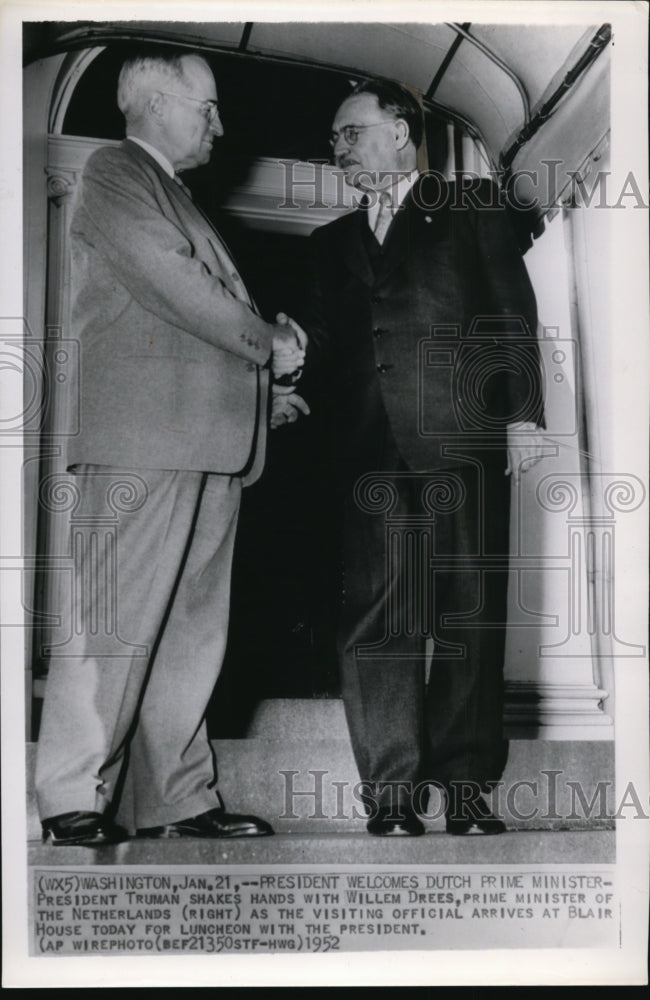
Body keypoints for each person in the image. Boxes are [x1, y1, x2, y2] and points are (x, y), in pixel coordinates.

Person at [35, 48, 307, 847]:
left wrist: (263, 398)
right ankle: (70, 793)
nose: (220, 123)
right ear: (154, 102)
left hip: (204, 442)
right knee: (116, 623)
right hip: (145, 443)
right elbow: (176, 283)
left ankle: (176, 799)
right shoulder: (118, 172)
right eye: (208, 106)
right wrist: (270, 346)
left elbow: (172, 320)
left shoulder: (172, 193)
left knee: (191, 636)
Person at [303, 79, 545, 836]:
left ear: (400, 132)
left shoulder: (471, 208)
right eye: (335, 138)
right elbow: (322, 352)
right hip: (365, 453)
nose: (336, 148)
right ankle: (393, 797)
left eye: (350, 132)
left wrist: (524, 418)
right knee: (378, 620)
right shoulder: (328, 243)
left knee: (469, 615)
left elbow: (512, 312)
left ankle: (469, 790)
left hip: (462, 440)